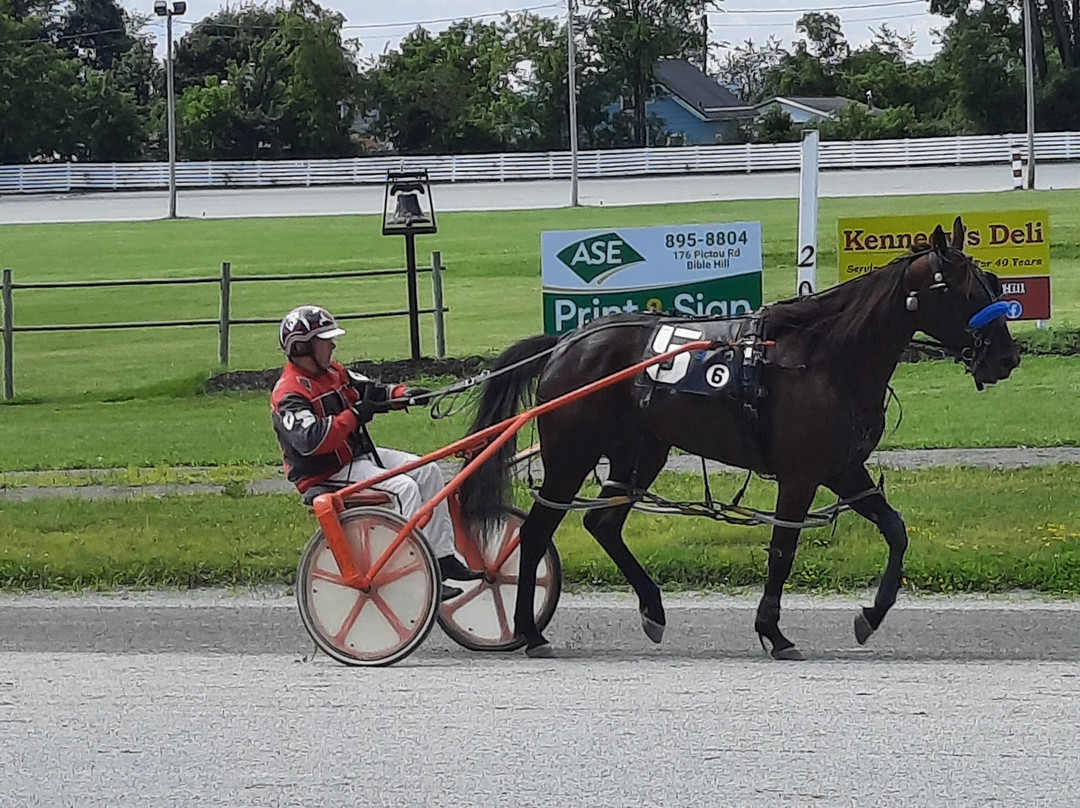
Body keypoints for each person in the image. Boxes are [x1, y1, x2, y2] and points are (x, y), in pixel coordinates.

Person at [270, 304, 481, 601]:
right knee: (404, 489)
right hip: (326, 472)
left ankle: (442, 557)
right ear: (302, 347)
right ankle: (418, 571)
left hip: (355, 457)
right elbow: (313, 440)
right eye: (325, 340)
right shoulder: (289, 392)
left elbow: (371, 391)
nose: (333, 344)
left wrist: (404, 396)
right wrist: (355, 416)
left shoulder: (334, 372)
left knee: (429, 470)